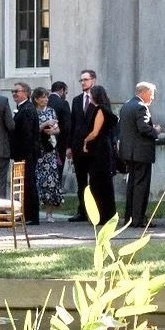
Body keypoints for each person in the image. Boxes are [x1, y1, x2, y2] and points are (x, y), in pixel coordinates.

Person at [118, 81, 159, 226]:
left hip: (128, 152)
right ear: (144, 92)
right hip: (141, 153)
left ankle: (129, 217)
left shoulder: (126, 105)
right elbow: (143, 128)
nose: (153, 97)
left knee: (132, 185)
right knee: (141, 186)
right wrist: (155, 131)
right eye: (152, 94)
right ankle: (138, 218)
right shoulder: (141, 107)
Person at [81, 81, 117, 223]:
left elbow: (95, 132)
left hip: (100, 149)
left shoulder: (100, 109)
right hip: (102, 148)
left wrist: (85, 141)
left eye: (90, 96)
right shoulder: (105, 108)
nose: (89, 98)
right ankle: (105, 213)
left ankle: (103, 215)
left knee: (99, 181)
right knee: (102, 181)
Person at [67, 67, 97, 220]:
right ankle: (82, 210)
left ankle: (95, 211)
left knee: (95, 180)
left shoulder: (99, 99)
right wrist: (69, 146)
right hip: (78, 147)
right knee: (81, 181)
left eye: (85, 79)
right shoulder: (77, 100)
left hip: (94, 147)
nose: (83, 82)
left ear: (93, 80)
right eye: (81, 80)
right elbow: (73, 124)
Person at [10, 81, 41, 223]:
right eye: (13, 92)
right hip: (23, 153)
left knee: (28, 184)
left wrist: (23, 154)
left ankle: (32, 216)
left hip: (26, 154)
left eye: (17, 91)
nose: (15, 94)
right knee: (23, 184)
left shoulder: (27, 109)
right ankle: (25, 213)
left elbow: (27, 134)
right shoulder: (23, 108)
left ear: (27, 93)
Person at [33, 86, 64, 219]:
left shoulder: (51, 111)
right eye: (43, 97)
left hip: (49, 150)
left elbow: (58, 129)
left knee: (52, 181)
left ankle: (49, 213)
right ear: (36, 99)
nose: (45, 100)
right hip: (37, 150)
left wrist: (53, 131)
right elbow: (32, 129)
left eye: (46, 97)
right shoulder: (33, 112)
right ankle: (35, 208)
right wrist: (44, 124)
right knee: (37, 180)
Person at [48, 79, 71, 192]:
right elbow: (67, 126)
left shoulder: (44, 101)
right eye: (65, 93)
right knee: (58, 166)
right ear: (61, 91)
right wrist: (68, 145)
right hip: (60, 142)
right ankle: (55, 190)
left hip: (44, 142)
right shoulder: (63, 103)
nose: (65, 95)